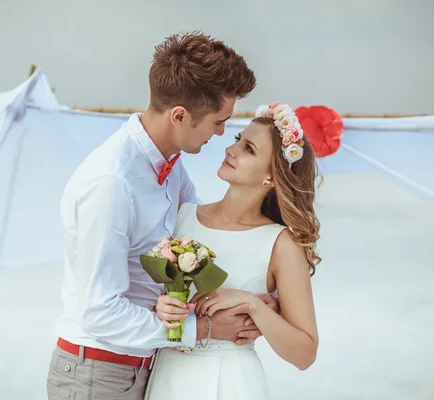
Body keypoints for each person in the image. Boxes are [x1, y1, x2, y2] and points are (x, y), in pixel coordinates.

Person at [46, 32, 274, 400]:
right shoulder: (112, 183)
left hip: (147, 368)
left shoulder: (169, 166)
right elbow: (98, 311)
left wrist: (263, 303)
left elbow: (201, 248)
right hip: (96, 376)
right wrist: (202, 329)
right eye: (219, 122)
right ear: (180, 116)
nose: (221, 135)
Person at [146, 103, 321, 400]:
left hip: (231, 383)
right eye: (238, 138)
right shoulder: (182, 215)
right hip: (167, 375)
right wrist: (160, 308)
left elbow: (304, 354)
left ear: (271, 178)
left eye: (249, 149)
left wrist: (253, 304)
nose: (231, 149)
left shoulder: (281, 245)